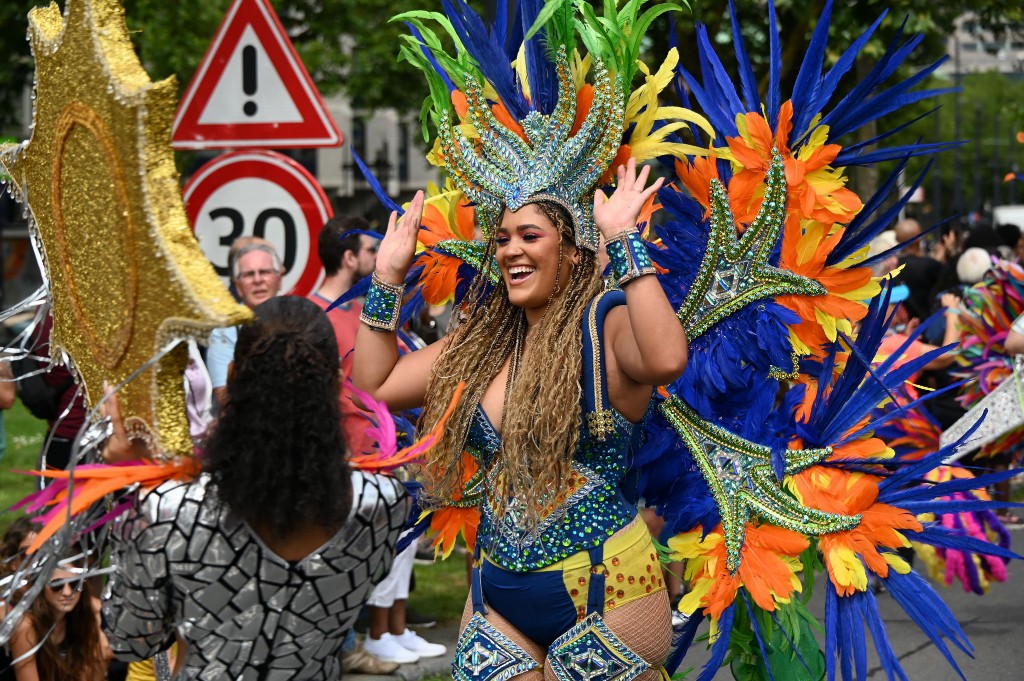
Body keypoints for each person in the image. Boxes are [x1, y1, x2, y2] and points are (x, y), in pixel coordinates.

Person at [354, 153, 687, 677]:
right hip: (496, 596)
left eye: (530, 236)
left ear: (572, 253)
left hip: (607, 590)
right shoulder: (481, 344)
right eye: (504, 238)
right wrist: (387, 277)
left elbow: (667, 359)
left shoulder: (606, 326)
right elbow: (374, 384)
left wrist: (622, 240)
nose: (512, 249)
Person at [103, 297, 410, 679]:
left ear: (231, 376)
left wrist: (132, 489)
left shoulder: (172, 511)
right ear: (335, 383)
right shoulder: (380, 504)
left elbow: (129, 639)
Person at [310, 216, 444, 666]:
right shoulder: (316, 314)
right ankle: (355, 642)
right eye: (371, 252)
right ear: (349, 257)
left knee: (393, 545)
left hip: (387, 448)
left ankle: (385, 632)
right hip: (345, 456)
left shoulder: (359, 312)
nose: (377, 259)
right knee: (345, 556)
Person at [7, 547, 109, 681]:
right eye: (57, 584)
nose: (67, 592)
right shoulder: (25, 626)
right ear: (41, 586)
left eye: (74, 584)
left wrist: (101, 659)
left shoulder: (82, 621)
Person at [206, 240, 283, 408]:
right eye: (249, 274)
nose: (257, 280)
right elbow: (224, 398)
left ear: (279, 279)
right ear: (238, 287)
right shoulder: (225, 328)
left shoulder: (299, 319)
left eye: (264, 272)